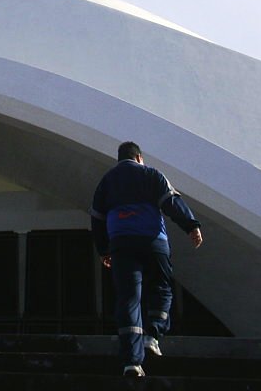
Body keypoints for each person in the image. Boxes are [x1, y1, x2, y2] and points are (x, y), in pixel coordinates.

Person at [90, 141, 203, 378]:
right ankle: (153, 336)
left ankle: (132, 362)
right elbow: (171, 202)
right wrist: (191, 225)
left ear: (119, 159)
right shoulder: (151, 174)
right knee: (162, 287)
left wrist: (104, 250)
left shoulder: (107, 181)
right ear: (140, 157)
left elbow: (97, 218)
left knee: (129, 297)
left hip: (121, 243)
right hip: (153, 240)